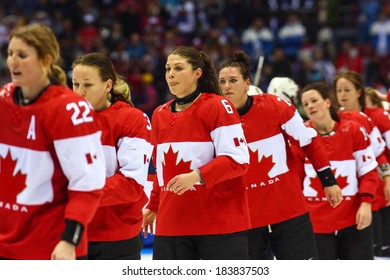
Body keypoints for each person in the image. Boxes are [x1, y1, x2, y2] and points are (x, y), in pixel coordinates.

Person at [218, 50, 342, 260]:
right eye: (222, 81)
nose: (227, 86)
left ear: (247, 83)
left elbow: (309, 142)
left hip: (289, 214)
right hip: (245, 220)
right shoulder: (214, 118)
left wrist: (328, 181)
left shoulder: (275, 106)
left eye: (233, 80)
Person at [0, 24, 105, 260]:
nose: (13, 62)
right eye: (10, 54)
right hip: (6, 245)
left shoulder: (69, 109)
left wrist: (70, 239)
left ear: (46, 60)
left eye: (22, 55)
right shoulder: (3, 100)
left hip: (50, 245)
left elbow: (88, 182)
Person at [142, 46, 251, 260]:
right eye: (167, 69)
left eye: (178, 68)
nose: (170, 74)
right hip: (172, 224)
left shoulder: (219, 106)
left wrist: (196, 176)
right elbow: (162, 170)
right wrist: (153, 205)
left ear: (197, 73)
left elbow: (238, 160)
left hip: (218, 224)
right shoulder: (159, 114)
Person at [71, 52, 153, 260]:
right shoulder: (65, 119)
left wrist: (79, 196)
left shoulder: (131, 119)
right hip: (71, 233)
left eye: (87, 85)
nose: (80, 92)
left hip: (116, 238)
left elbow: (131, 185)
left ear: (108, 85)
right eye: (75, 84)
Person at [300, 81, 378, 259]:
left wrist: (366, 203)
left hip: (353, 222)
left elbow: (368, 171)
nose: (310, 106)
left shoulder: (353, 130)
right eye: (305, 104)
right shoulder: (301, 136)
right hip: (316, 225)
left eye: (314, 100)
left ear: (327, 102)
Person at [334, 71, 390, 259]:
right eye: (339, 90)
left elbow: (379, 153)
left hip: (373, 189)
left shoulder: (371, 118)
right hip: (345, 192)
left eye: (347, 90)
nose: (342, 95)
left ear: (359, 92)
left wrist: (388, 178)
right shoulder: (333, 118)